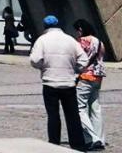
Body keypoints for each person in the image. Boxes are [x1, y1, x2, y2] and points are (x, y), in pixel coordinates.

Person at [28, 14, 87, 150]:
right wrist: (75, 70)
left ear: (45, 26)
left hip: (50, 83)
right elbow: (83, 59)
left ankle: (54, 144)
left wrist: (43, 67)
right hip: (68, 83)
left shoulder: (42, 40)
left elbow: (35, 60)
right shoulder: (70, 40)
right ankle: (78, 145)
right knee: (73, 115)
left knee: (53, 115)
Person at [74, 19, 106, 150]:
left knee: (79, 108)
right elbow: (101, 56)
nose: (76, 33)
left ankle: (93, 138)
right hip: (98, 77)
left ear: (80, 29)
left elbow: (77, 58)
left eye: (77, 30)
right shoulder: (99, 42)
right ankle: (100, 139)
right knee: (95, 108)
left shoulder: (82, 42)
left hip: (85, 76)